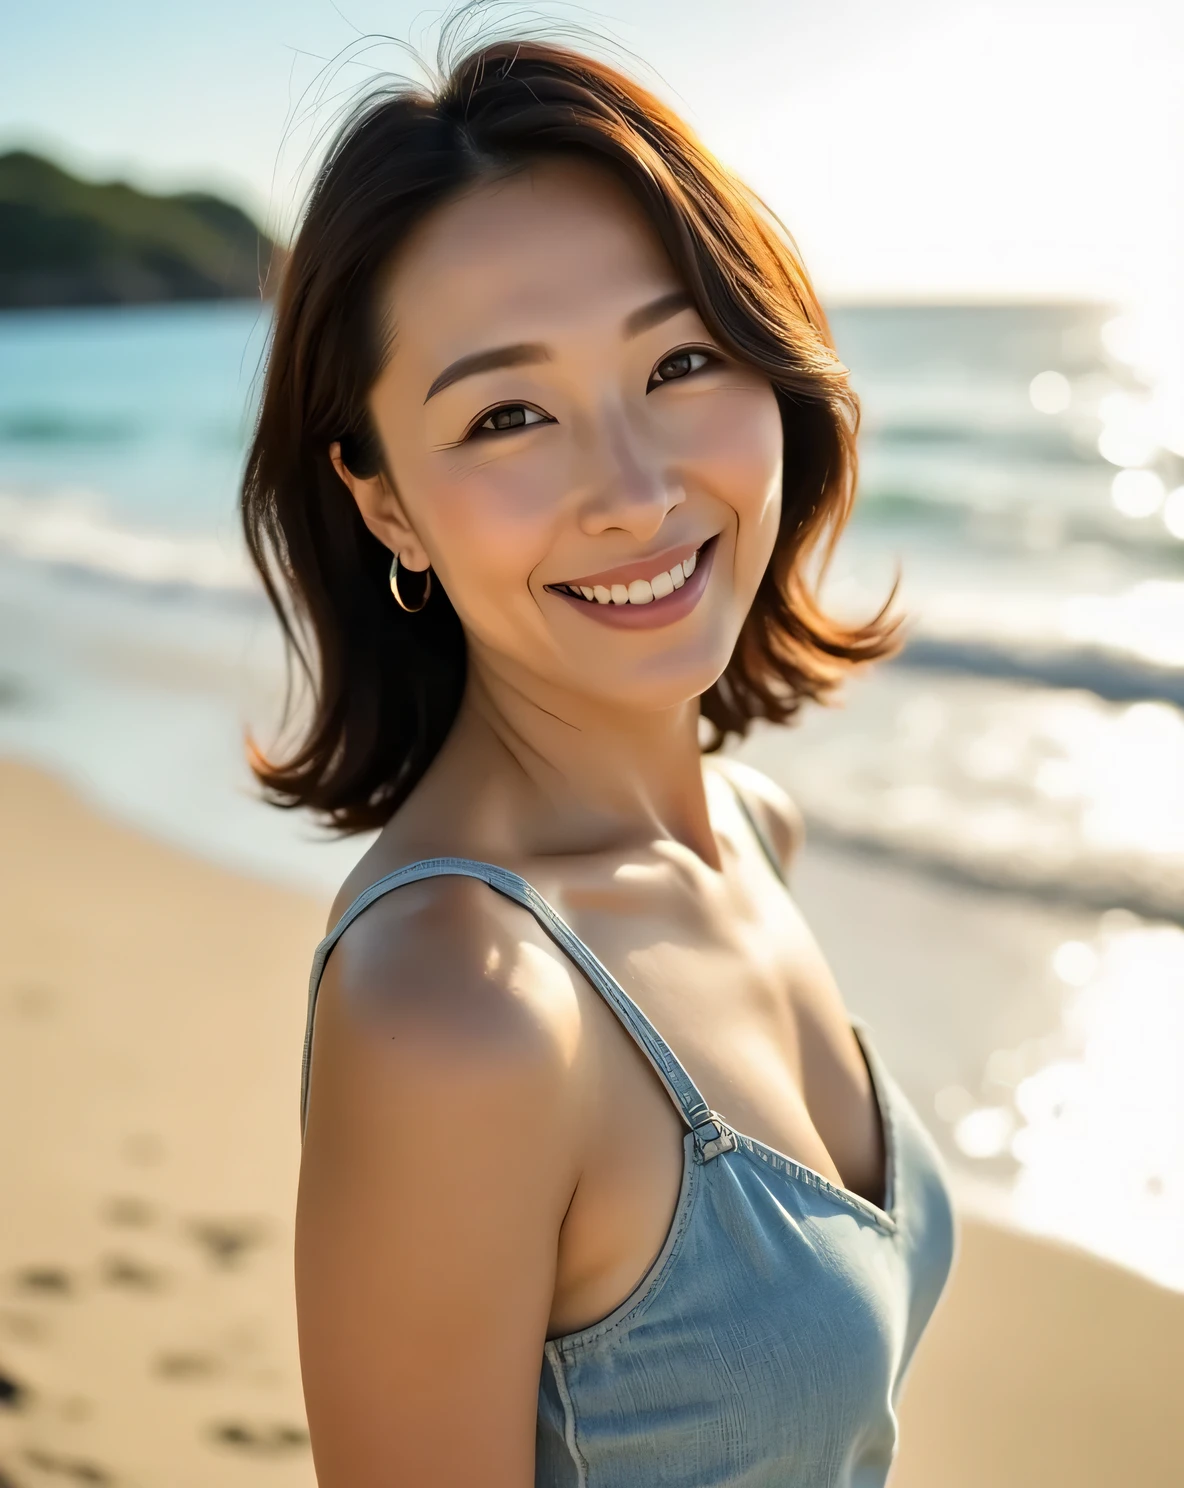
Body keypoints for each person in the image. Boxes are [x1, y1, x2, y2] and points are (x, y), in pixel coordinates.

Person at [241, 36, 956, 1487]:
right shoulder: (460, 1006)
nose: (632, 492)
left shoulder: (756, 834)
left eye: (681, 359)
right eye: (509, 415)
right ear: (384, 502)